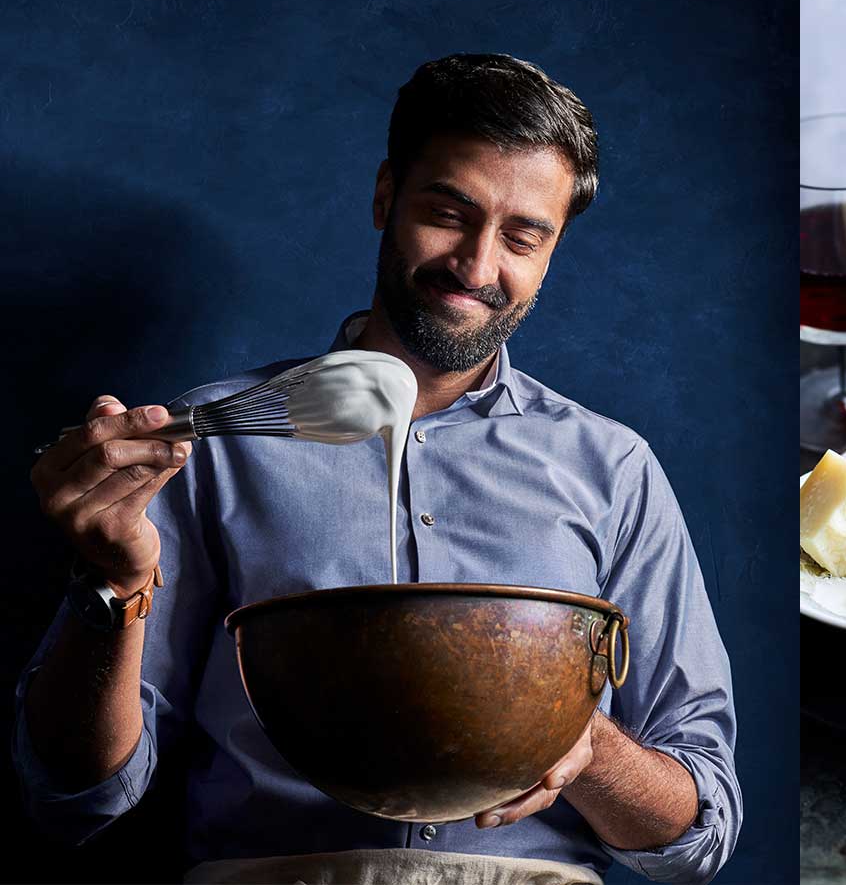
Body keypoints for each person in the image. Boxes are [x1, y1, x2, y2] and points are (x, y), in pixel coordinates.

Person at [15, 53, 739, 885]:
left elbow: (699, 836)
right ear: (386, 198)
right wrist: (108, 588)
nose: (476, 265)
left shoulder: (613, 470)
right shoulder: (210, 443)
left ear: (552, 252)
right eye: (447, 212)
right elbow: (75, 798)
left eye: (522, 236)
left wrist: (585, 746)